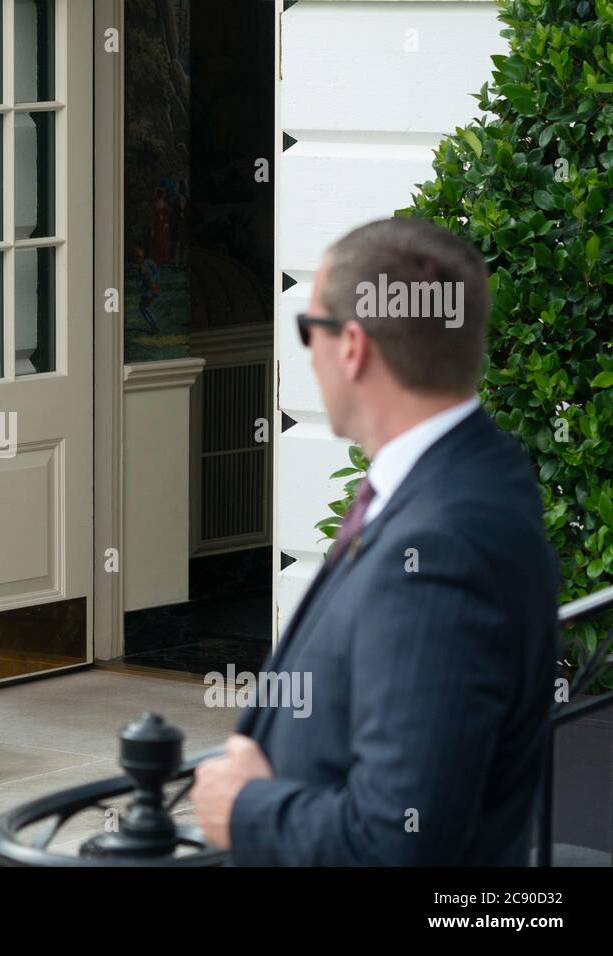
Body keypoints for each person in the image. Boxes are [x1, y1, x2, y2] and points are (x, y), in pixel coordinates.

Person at [191, 217, 560, 864]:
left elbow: (398, 840)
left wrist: (246, 809)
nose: (307, 353)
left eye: (310, 331)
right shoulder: (464, 471)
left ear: (353, 346)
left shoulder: (444, 541)